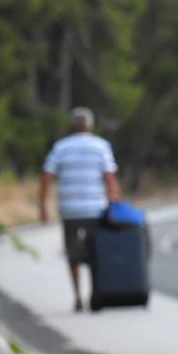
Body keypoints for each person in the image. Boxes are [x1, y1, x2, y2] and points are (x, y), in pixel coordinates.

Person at [39, 107, 122, 310]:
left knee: (73, 254)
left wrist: (43, 207)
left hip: (69, 210)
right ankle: (95, 294)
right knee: (96, 253)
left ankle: (78, 296)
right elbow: (109, 178)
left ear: (72, 125)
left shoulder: (61, 147)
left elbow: (46, 178)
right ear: (90, 125)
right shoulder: (101, 146)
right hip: (95, 209)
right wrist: (115, 203)